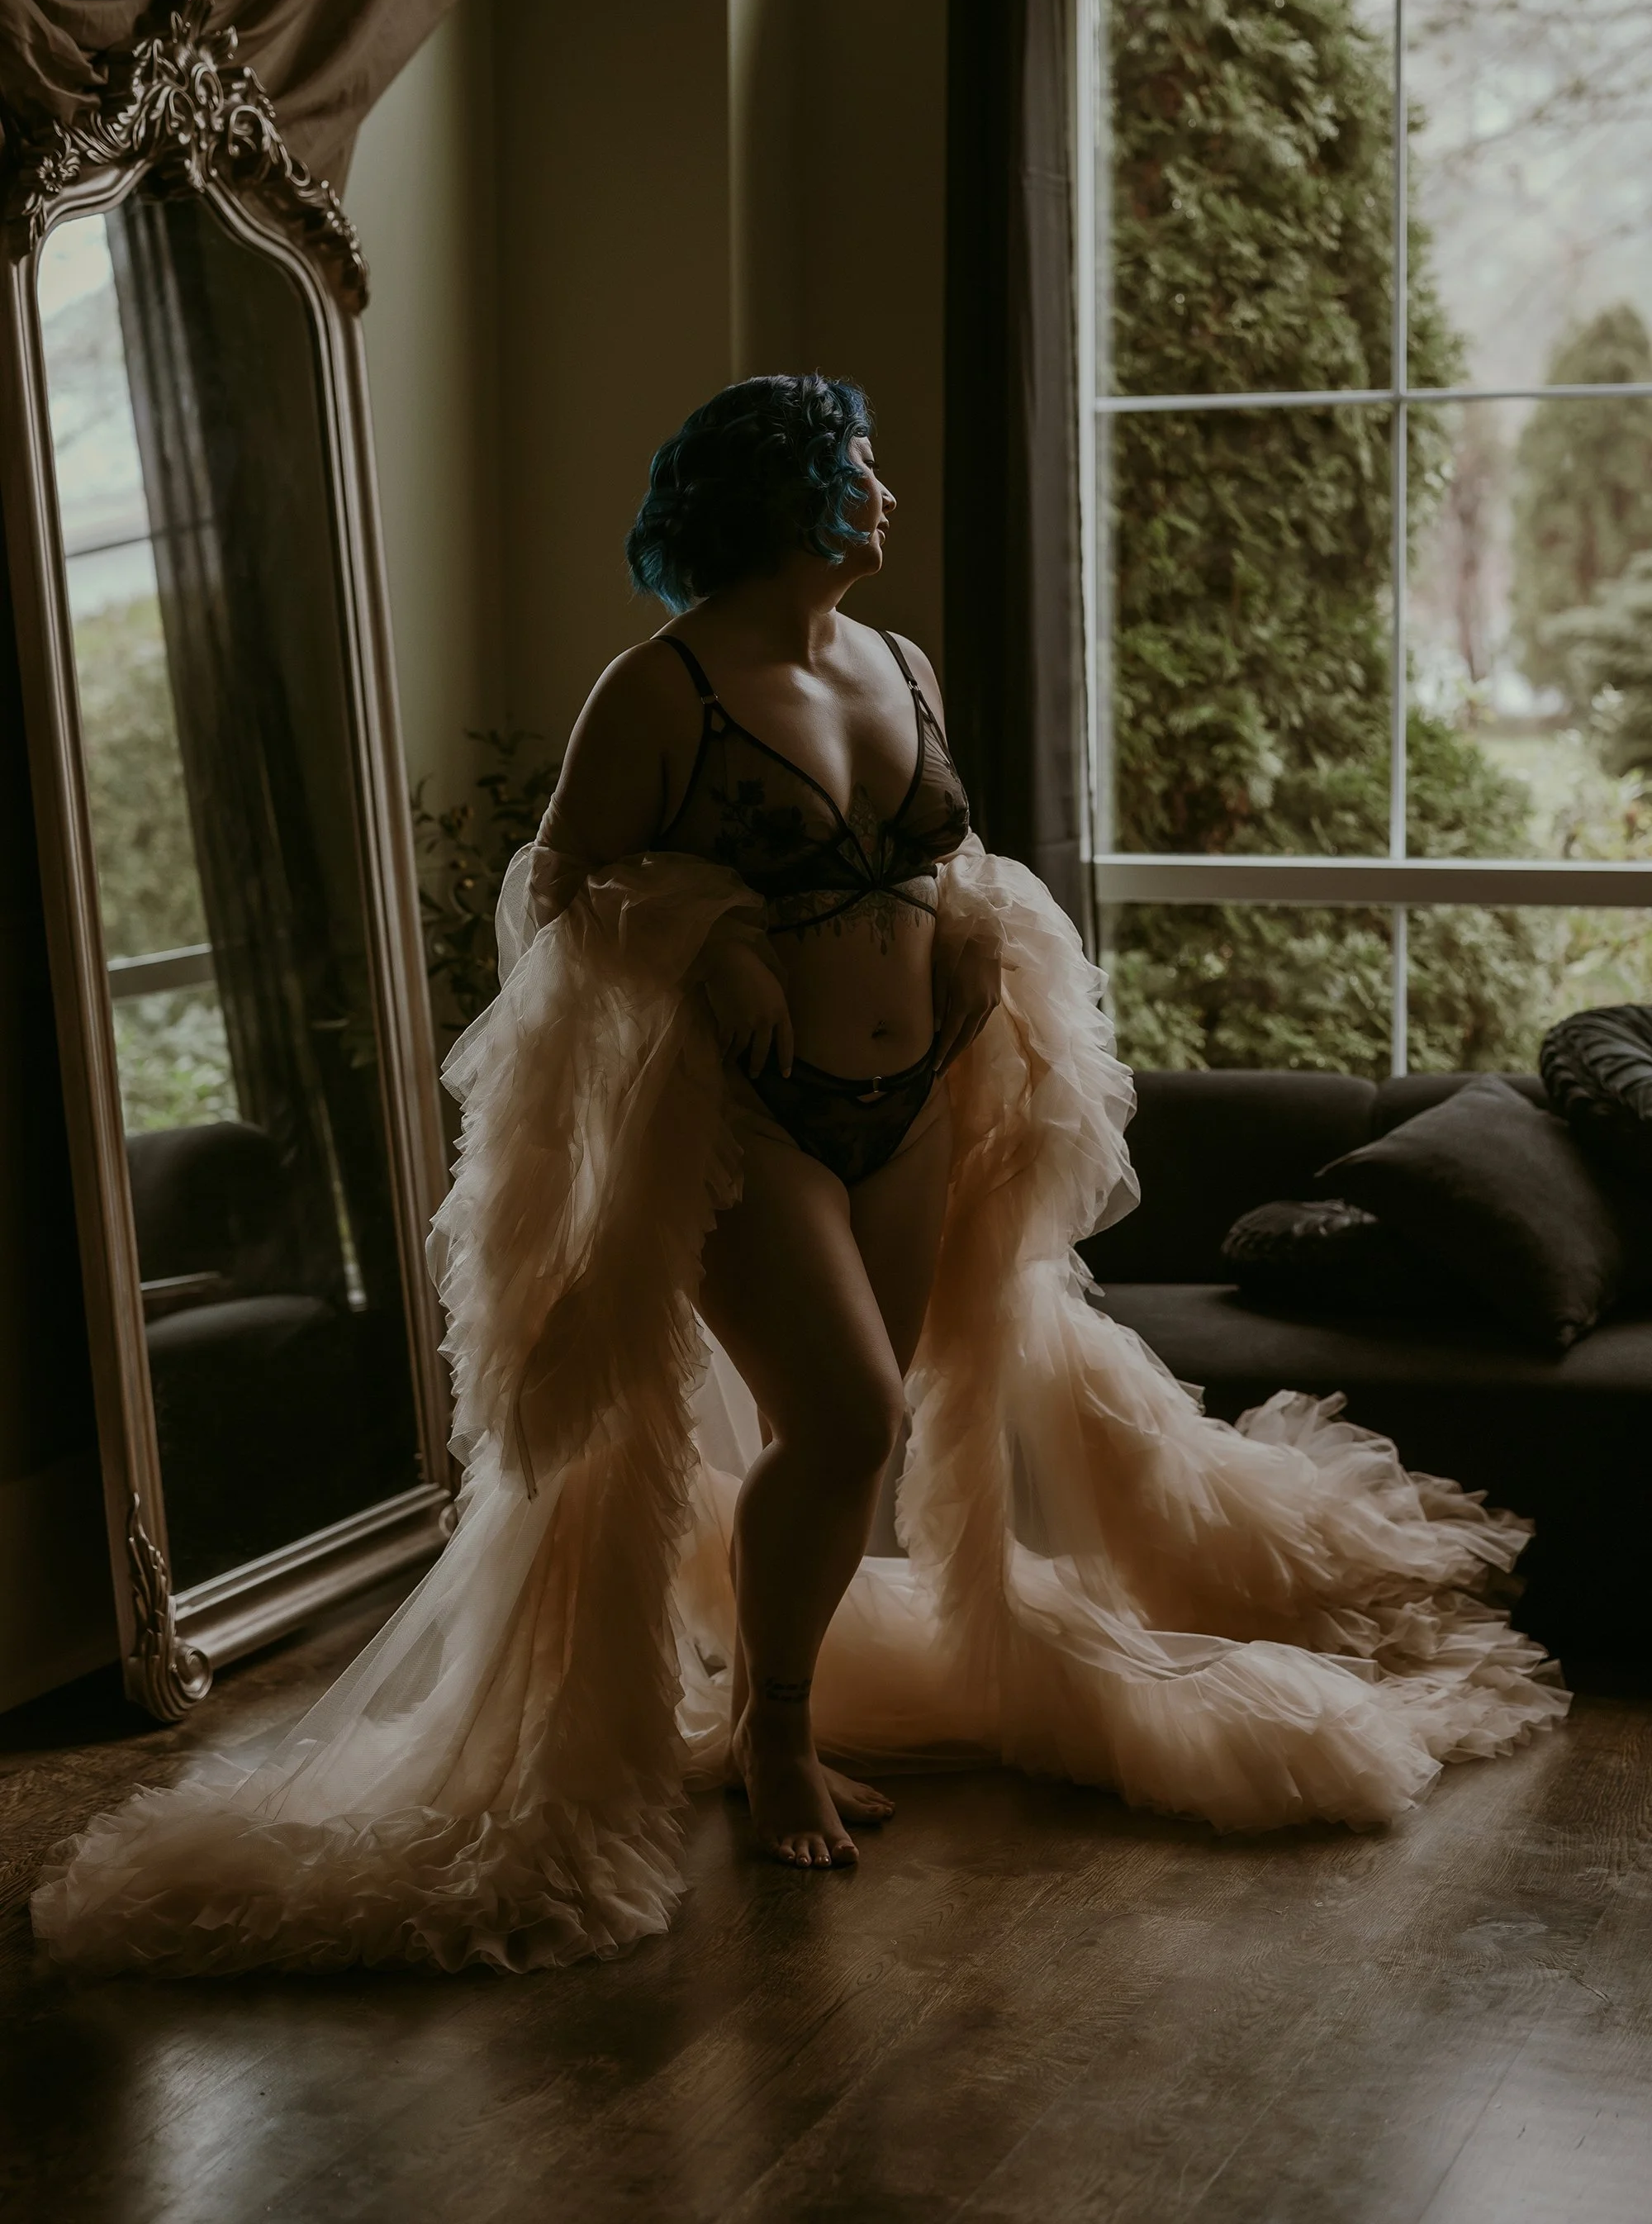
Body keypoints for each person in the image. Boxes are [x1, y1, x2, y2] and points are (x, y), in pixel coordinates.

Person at [33, 374, 1565, 1976]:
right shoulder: (661, 688)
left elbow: (945, 852)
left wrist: (969, 937)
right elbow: (555, 893)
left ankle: (781, 1695)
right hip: (746, 1123)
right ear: (784, 495)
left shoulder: (900, 663)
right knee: (849, 1416)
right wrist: (707, 937)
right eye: (860, 468)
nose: (886, 495)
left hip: (912, 1108)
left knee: (843, 1436)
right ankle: (770, 1737)